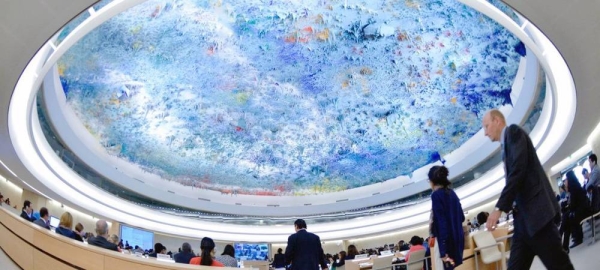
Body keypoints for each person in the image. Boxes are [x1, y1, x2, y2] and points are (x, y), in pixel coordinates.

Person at [482, 109, 574, 270]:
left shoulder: (513, 132)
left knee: (560, 266)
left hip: (538, 217)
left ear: (497, 121)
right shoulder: (505, 148)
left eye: (486, 126)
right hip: (522, 222)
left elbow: (518, 171)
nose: (485, 132)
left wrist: (499, 208)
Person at [428, 165, 464, 270]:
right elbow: (461, 217)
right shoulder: (452, 193)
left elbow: (441, 223)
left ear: (432, 181)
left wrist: (443, 250)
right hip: (457, 240)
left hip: (445, 243)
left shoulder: (436, 195)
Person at [563, 170, 590, 250]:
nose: (566, 182)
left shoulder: (574, 189)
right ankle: (566, 242)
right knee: (566, 216)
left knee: (568, 217)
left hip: (583, 210)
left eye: (566, 179)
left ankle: (575, 239)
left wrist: (569, 207)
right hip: (583, 209)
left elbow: (573, 205)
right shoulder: (576, 186)